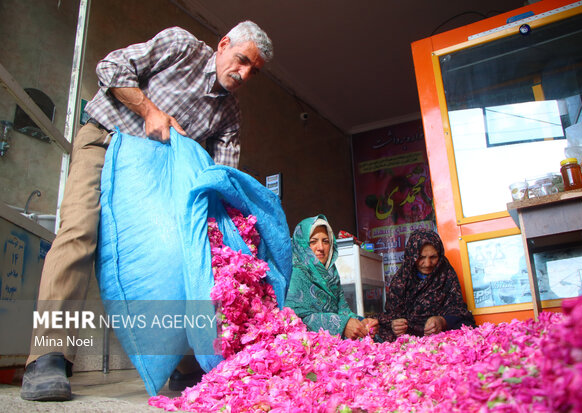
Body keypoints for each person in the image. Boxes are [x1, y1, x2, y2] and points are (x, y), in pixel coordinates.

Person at [20, 21, 273, 401]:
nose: (244, 74)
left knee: (184, 254)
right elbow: (110, 67)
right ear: (223, 45)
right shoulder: (182, 46)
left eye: (254, 71)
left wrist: (234, 235)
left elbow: (221, 176)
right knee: (78, 234)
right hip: (106, 141)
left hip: (153, 179)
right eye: (241, 60)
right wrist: (149, 110)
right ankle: (48, 357)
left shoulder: (229, 114)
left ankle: (187, 364)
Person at [285, 215, 378, 340]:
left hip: (333, 343)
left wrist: (362, 323)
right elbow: (295, 319)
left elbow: (343, 311)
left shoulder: (331, 274)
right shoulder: (295, 274)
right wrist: (342, 324)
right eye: (313, 242)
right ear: (302, 245)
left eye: (326, 241)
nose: (321, 248)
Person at [377, 229, 475, 341]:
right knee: (377, 329)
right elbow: (392, 314)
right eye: (421, 258)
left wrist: (442, 321)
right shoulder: (401, 279)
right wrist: (396, 325)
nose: (428, 264)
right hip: (409, 331)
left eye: (433, 257)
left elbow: (457, 309)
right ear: (411, 256)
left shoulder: (447, 273)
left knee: (466, 327)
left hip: (439, 330)